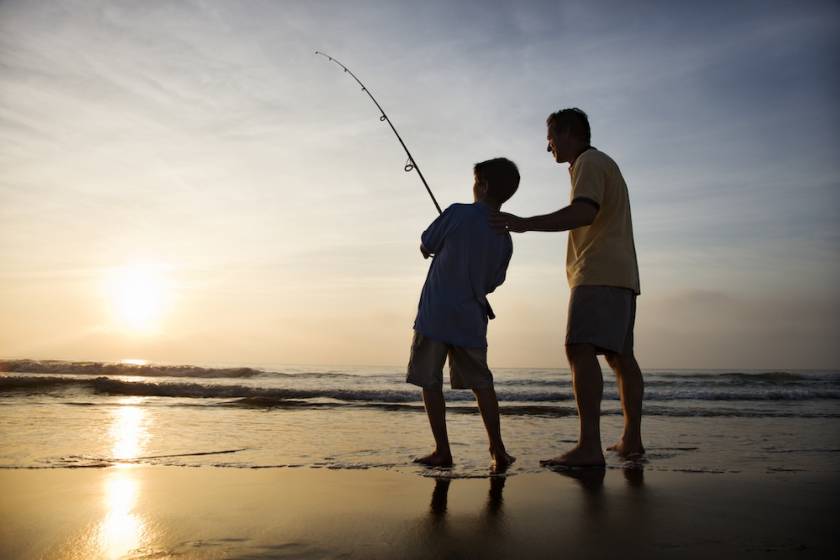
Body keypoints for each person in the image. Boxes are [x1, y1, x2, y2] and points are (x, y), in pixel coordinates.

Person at [490, 108, 644, 467]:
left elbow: (583, 213)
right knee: (620, 358)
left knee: (578, 348)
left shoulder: (588, 162)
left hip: (598, 272)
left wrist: (525, 223)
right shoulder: (605, 163)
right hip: (622, 275)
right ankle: (632, 440)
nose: (548, 148)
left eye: (550, 138)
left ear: (568, 133)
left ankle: (589, 446)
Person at [407, 157, 519, 471]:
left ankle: (442, 450)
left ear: (481, 186)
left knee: (431, 381)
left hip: (435, 314)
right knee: (482, 384)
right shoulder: (505, 237)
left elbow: (426, 243)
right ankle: (498, 449)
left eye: (475, 182)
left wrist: (431, 249)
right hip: (471, 318)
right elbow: (494, 281)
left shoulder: (457, 212)